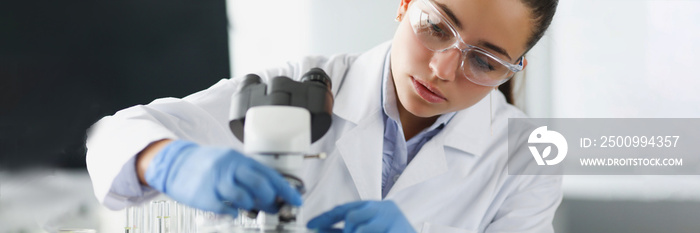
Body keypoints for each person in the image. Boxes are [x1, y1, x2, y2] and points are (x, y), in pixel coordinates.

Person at [86, 0, 561, 232]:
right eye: (435, 26)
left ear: (512, 69)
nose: (442, 70)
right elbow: (113, 134)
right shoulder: (302, 82)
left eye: (484, 61)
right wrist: (170, 161)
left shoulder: (527, 160)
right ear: (405, 5)